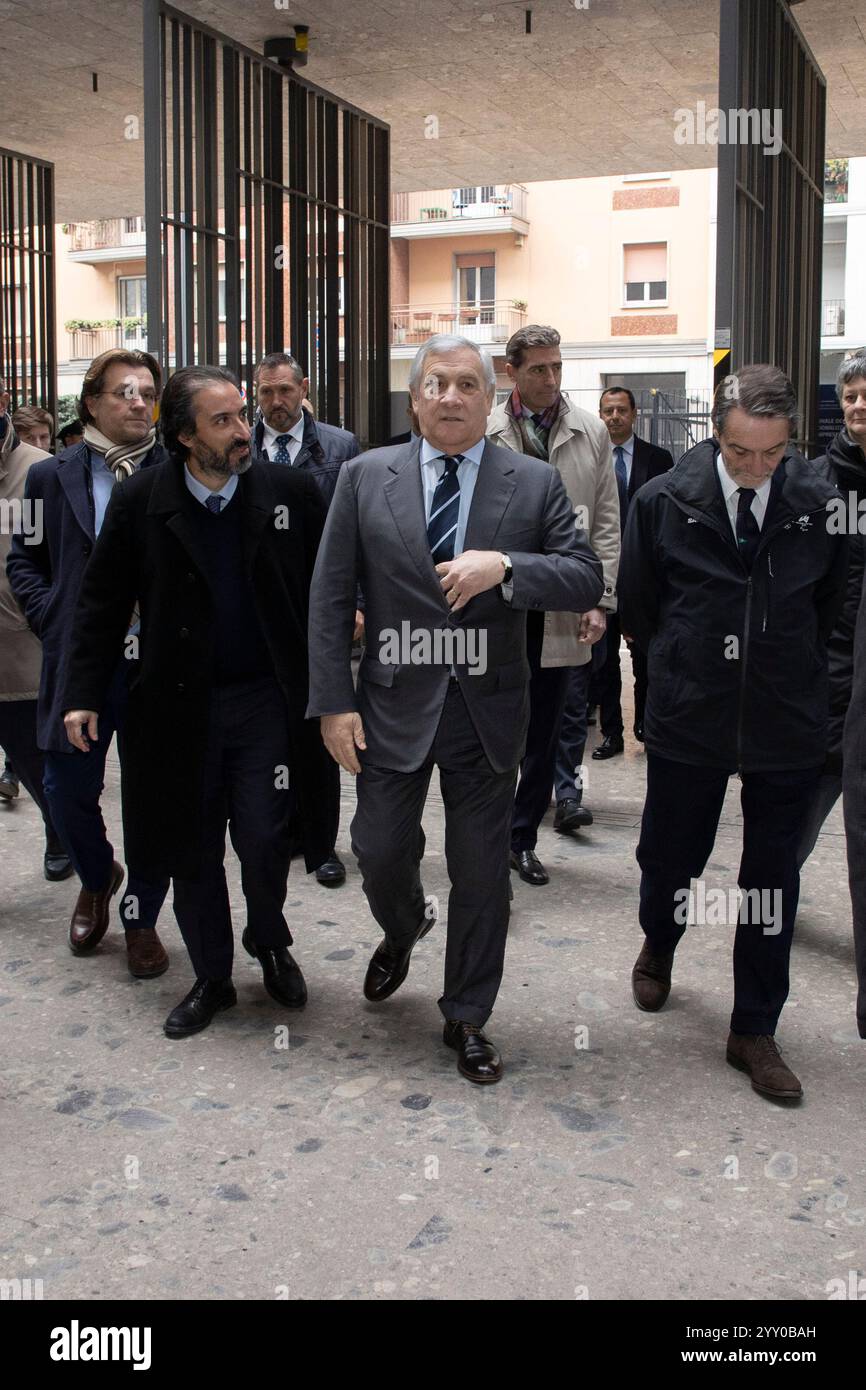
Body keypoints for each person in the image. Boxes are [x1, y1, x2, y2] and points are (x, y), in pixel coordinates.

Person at [307, 334, 604, 1083]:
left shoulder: (531, 483)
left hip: (487, 712)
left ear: (488, 397)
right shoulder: (363, 475)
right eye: (436, 383)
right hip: (389, 707)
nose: (450, 396)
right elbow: (330, 593)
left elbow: (581, 577)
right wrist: (332, 703)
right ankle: (404, 926)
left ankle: (467, 1014)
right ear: (415, 398)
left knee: (480, 874)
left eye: (466, 384)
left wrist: (505, 566)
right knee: (376, 849)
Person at [62, 365, 328, 1039]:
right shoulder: (142, 500)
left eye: (243, 415)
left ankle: (269, 939)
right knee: (193, 848)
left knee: (268, 838)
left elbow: (331, 584)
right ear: (182, 435)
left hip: (266, 703)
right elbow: (100, 602)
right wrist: (82, 693)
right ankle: (211, 975)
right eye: (224, 421)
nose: (245, 430)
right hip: (178, 712)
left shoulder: (289, 491)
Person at [620, 364, 847, 1101]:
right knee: (669, 855)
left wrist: (800, 676)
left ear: (792, 444)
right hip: (692, 717)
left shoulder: (822, 506)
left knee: (770, 882)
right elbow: (640, 609)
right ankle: (663, 935)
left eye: (773, 455)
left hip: (786, 721)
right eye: (742, 453)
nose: (756, 469)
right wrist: (678, 675)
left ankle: (754, 1027)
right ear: (716, 435)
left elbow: (834, 608)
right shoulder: (662, 502)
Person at [7, 349, 170, 977]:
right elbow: (24, 558)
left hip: (155, 665)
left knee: (154, 801)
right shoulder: (51, 475)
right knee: (64, 790)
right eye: (124, 392)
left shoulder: (176, 466)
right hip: (80, 665)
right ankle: (99, 876)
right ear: (92, 402)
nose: (138, 402)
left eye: (147, 392)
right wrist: (53, 616)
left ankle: (141, 918)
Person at [486, 325, 619, 884]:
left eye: (557, 367)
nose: (550, 379)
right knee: (493, 734)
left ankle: (521, 840)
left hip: (562, 604)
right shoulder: (486, 431)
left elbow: (606, 520)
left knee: (544, 734)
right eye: (538, 369)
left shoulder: (589, 432)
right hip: (496, 605)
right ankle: (485, 841)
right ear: (511, 371)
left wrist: (600, 597)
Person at [252, 350, 361, 888]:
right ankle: (285, 830)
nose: (275, 402)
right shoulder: (241, 446)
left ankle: (322, 843)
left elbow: (360, 534)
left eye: (284, 391)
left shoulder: (340, 448)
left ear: (304, 388)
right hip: (259, 612)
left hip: (321, 606)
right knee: (268, 728)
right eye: (266, 392)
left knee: (320, 721)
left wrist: (359, 603)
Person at [797, 350, 866, 866]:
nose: (859, 405)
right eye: (850, 396)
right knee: (803, 806)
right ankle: (770, 905)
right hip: (831, 668)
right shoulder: (816, 483)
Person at [0, 388, 71, 878]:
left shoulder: (35, 470)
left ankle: (61, 834)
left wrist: (37, 616)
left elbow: (40, 561)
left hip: (17, 646)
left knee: (34, 762)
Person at [592, 386, 674, 759]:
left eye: (621, 410)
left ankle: (647, 725)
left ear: (634, 413)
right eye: (608, 411)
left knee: (644, 655)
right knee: (605, 659)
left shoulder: (658, 459)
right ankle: (613, 733)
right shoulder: (591, 459)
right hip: (603, 573)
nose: (614, 417)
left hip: (643, 575)